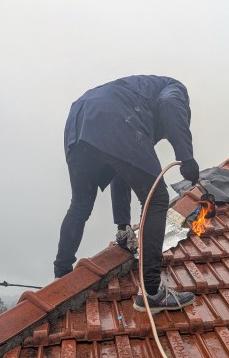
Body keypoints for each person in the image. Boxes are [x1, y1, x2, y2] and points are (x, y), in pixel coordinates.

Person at [53, 75, 199, 312]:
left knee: (80, 204)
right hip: (113, 115)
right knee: (157, 198)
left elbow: (122, 170)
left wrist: (123, 226)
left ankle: (60, 277)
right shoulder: (175, 90)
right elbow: (171, 105)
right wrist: (186, 156)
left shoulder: (138, 97)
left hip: (79, 118)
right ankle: (152, 292)